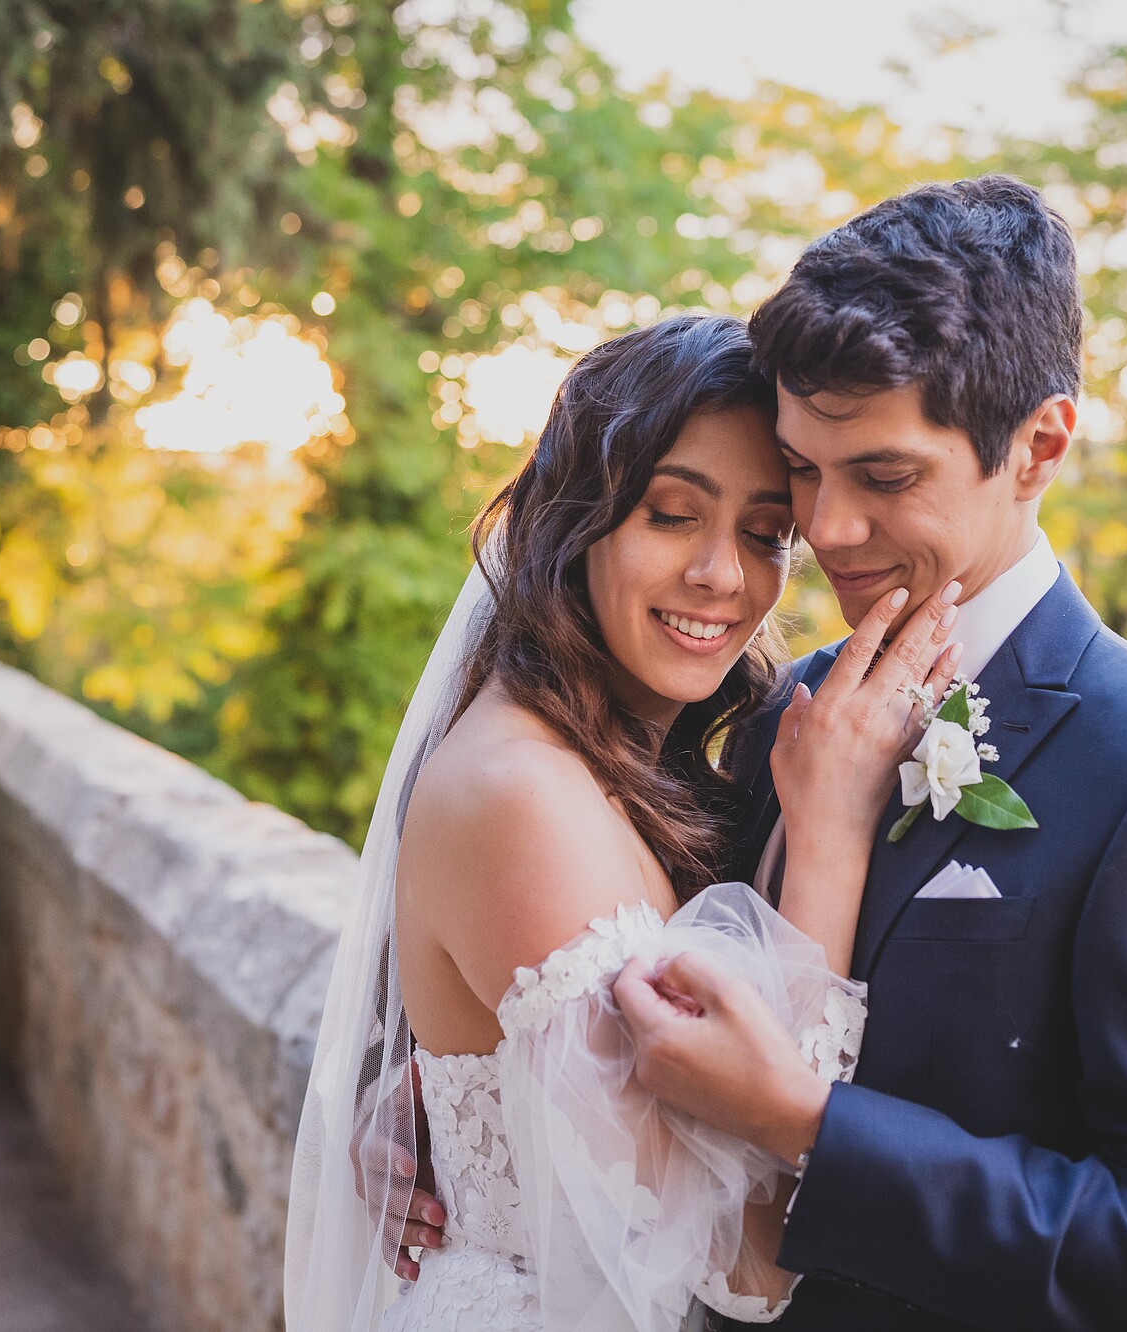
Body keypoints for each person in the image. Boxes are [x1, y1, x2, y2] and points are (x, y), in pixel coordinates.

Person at [370, 176, 1127, 1331]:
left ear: (1036, 447)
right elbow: (621, 987)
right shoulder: (781, 715)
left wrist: (813, 1128)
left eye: (882, 477)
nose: (823, 532)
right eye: (805, 477)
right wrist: (470, 1105)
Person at [282, 314, 962, 1332]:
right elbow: (740, 1267)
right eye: (670, 514)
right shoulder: (522, 793)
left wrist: (458, 1100)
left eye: (763, 532)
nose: (721, 577)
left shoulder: (623, 764)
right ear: (575, 520)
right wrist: (829, 838)